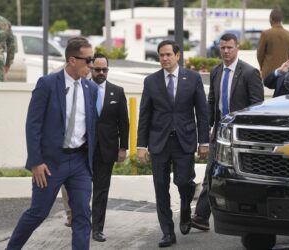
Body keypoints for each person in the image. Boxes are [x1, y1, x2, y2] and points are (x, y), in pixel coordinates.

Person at [6, 37, 97, 250]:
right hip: (50, 163)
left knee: (83, 214)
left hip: (80, 162)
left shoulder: (90, 89)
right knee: (38, 213)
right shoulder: (47, 84)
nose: (91, 65)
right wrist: (36, 161)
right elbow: (33, 125)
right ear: (72, 60)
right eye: (88, 60)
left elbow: (91, 127)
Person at [137, 40, 209, 248]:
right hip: (158, 142)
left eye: (168, 54)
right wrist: (141, 146)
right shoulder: (151, 81)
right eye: (161, 55)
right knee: (161, 188)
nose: (165, 59)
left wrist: (204, 141)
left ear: (178, 56)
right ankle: (168, 232)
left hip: (184, 141)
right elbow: (144, 115)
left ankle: (186, 209)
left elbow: (202, 113)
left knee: (184, 182)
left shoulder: (192, 78)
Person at [192, 33, 264, 231]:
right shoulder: (216, 71)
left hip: (241, 137)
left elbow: (257, 107)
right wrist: (205, 129)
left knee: (240, 178)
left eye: (229, 48)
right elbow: (212, 102)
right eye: (222, 48)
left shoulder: (250, 73)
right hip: (219, 134)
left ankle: (247, 218)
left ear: (237, 48)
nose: (225, 51)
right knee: (210, 174)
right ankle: (200, 216)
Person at [91, 53, 129, 242]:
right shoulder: (82, 89)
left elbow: (124, 122)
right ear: (91, 68)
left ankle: (97, 228)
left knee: (101, 190)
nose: (100, 73)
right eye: (97, 69)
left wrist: (123, 148)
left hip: (107, 149)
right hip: (83, 149)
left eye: (104, 69)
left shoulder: (117, 91)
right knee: (79, 189)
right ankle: (79, 221)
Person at [257, 9, 289, 79]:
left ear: (271, 19)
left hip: (268, 73)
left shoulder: (266, 34)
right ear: (281, 19)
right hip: (284, 73)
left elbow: (260, 54)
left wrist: (262, 67)